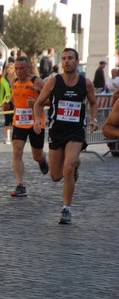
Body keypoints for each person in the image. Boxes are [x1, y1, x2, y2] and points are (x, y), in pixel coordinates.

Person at [33, 47, 98, 225]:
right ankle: (74, 164)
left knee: (67, 168)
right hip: (57, 130)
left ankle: (66, 209)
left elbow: (93, 103)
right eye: (63, 58)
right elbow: (38, 104)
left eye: (70, 58)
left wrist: (93, 119)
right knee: (55, 176)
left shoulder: (86, 83)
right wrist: (38, 121)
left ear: (77, 61)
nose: (66, 61)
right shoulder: (53, 82)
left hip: (76, 131)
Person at [10, 56, 49, 197]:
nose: (19, 71)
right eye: (16, 68)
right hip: (19, 122)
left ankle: (42, 160)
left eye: (22, 68)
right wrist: (8, 102)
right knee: (17, 151)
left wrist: (38, 102)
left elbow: (51, 99)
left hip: (36, 123)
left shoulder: (37, 82)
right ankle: (20, 185)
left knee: (36, 155)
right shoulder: (13, 81)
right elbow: (15, 98)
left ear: (28, 68)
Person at [0, 62, 16, 144]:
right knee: (7, 120)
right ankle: (7, 137)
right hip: (6, 101)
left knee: (14, 119)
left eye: (11, 68)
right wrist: (1, 102)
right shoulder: (3, 79)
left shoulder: (16, 78)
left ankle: (15, 137)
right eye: (7, 68)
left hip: (15, 100)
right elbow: (1, 92)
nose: (9, 70)